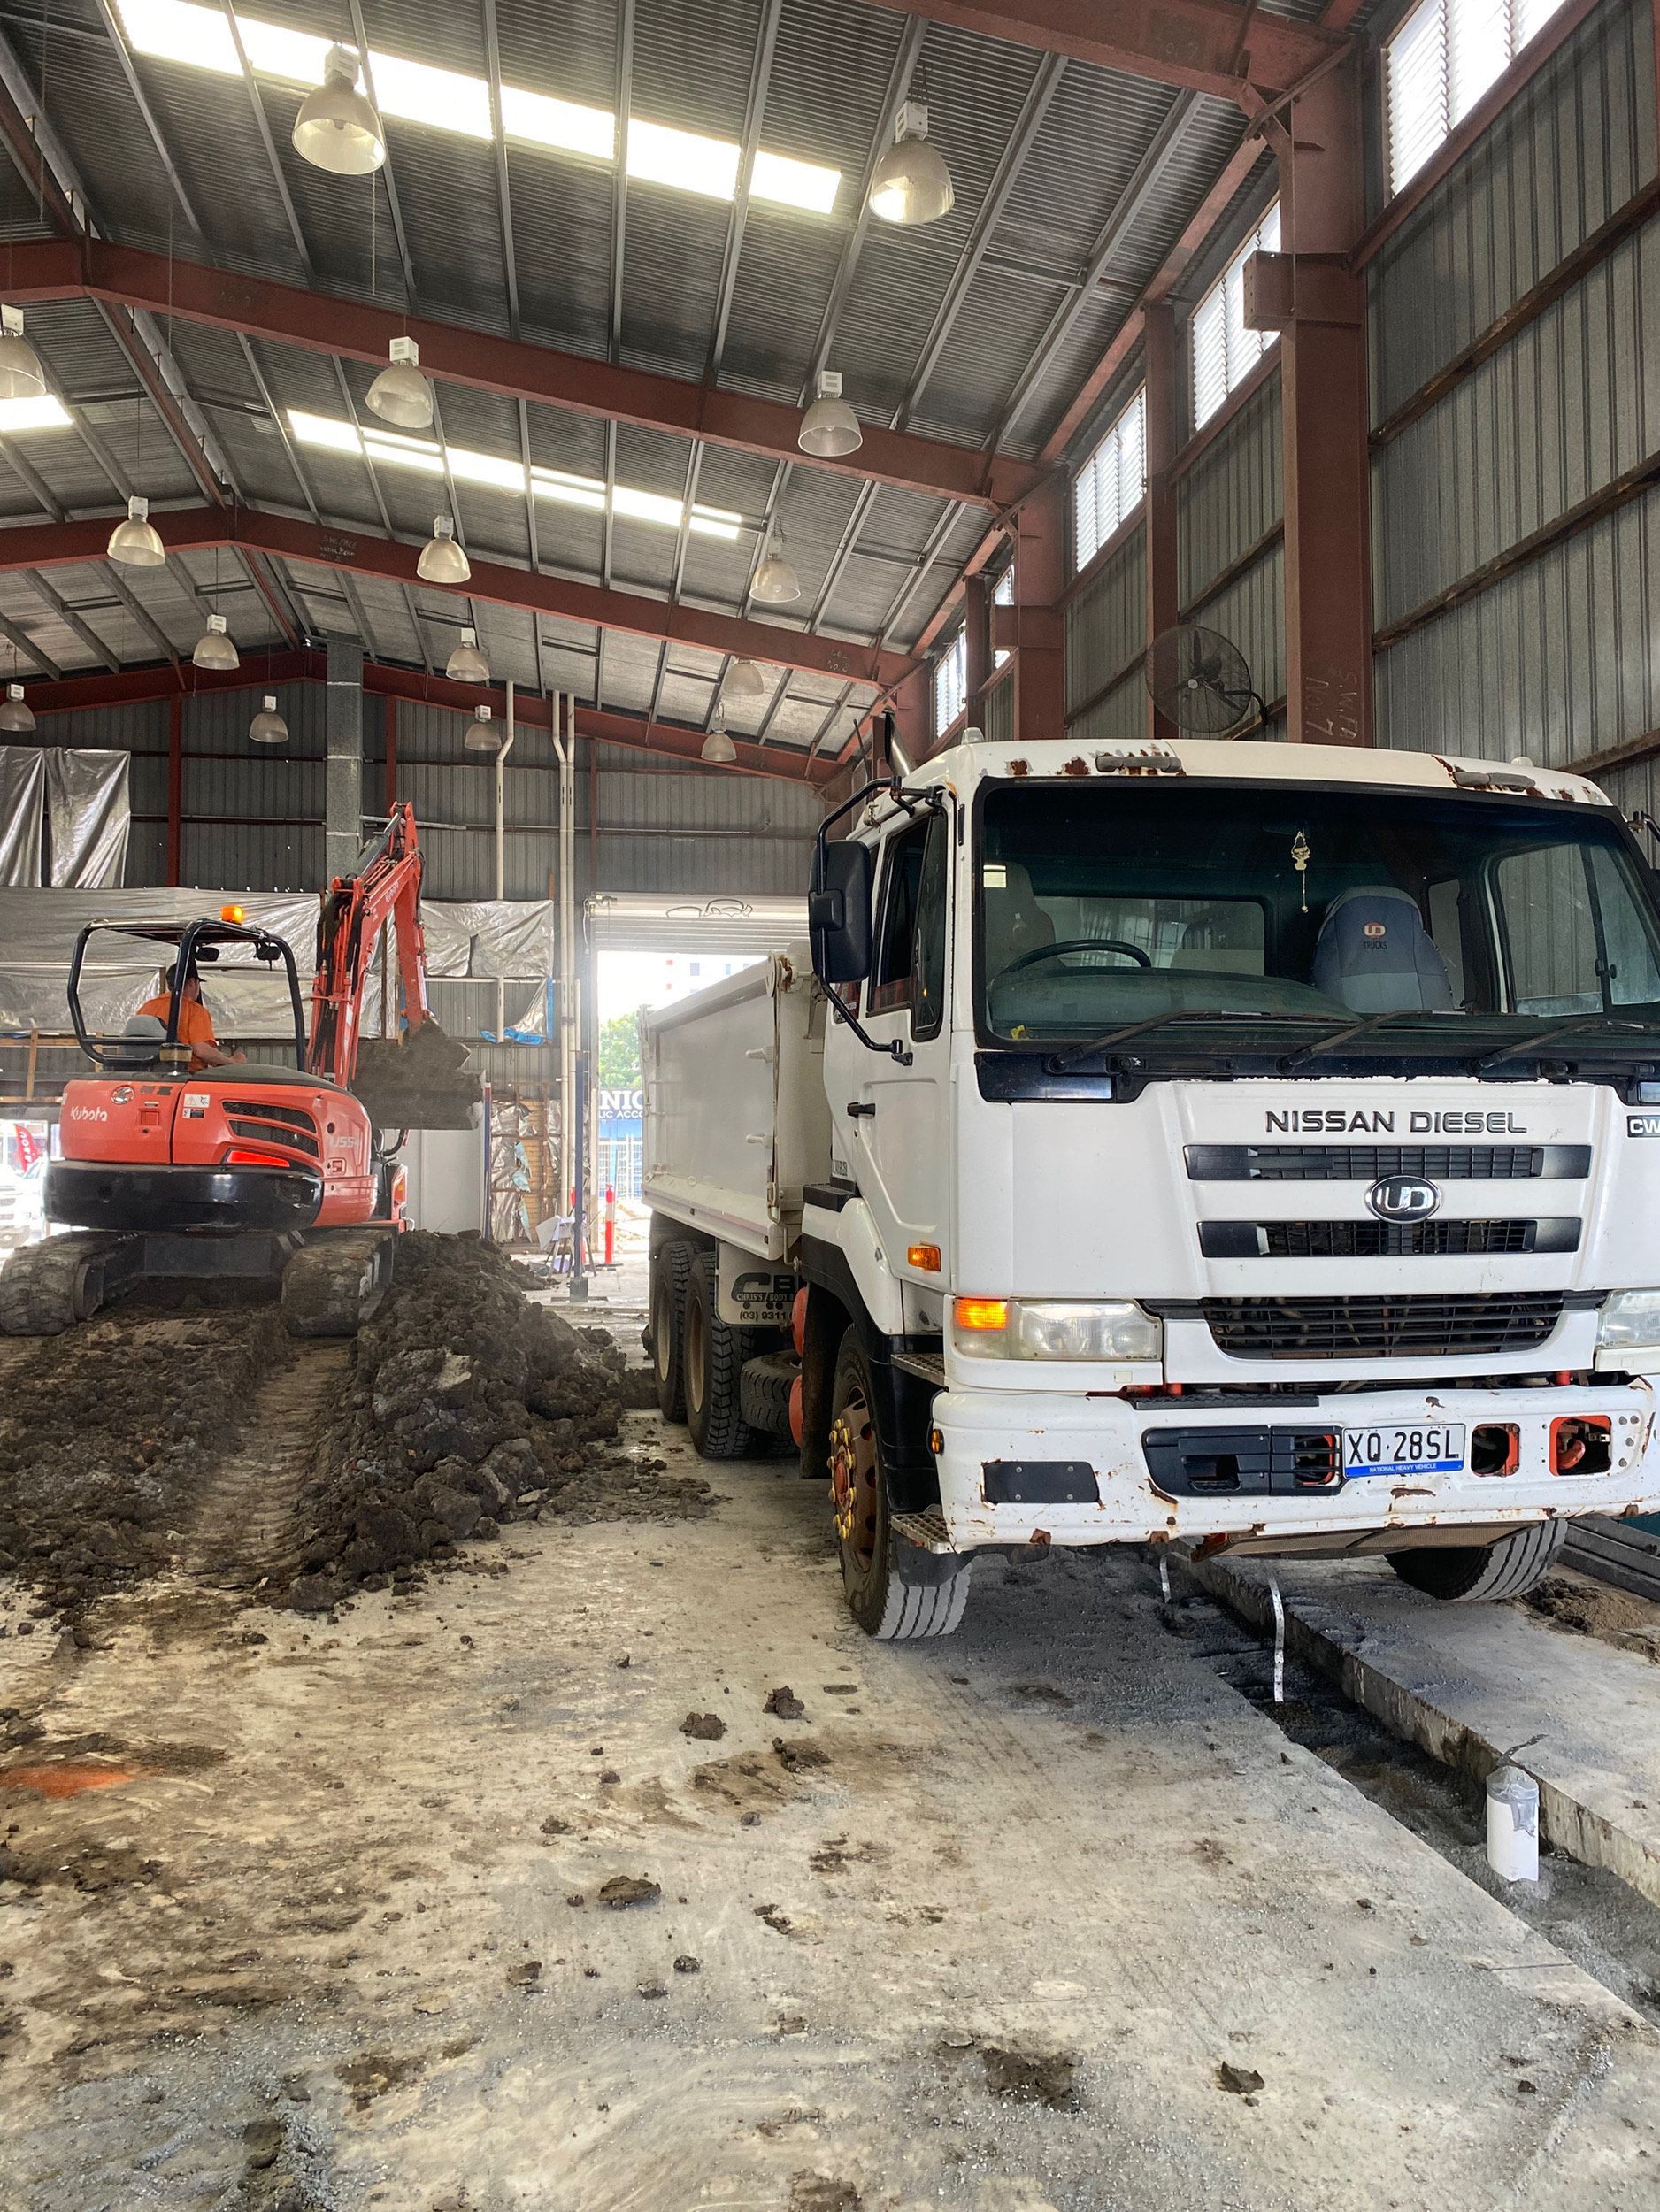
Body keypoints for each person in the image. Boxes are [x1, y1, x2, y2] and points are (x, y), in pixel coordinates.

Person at [135, 964, 246, 1072]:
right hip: (185, 1074)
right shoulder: (195, 1010)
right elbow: (201, 1050)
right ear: (193, 982)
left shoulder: (147, 1006)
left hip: (146, 1072)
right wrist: (232, 1062)